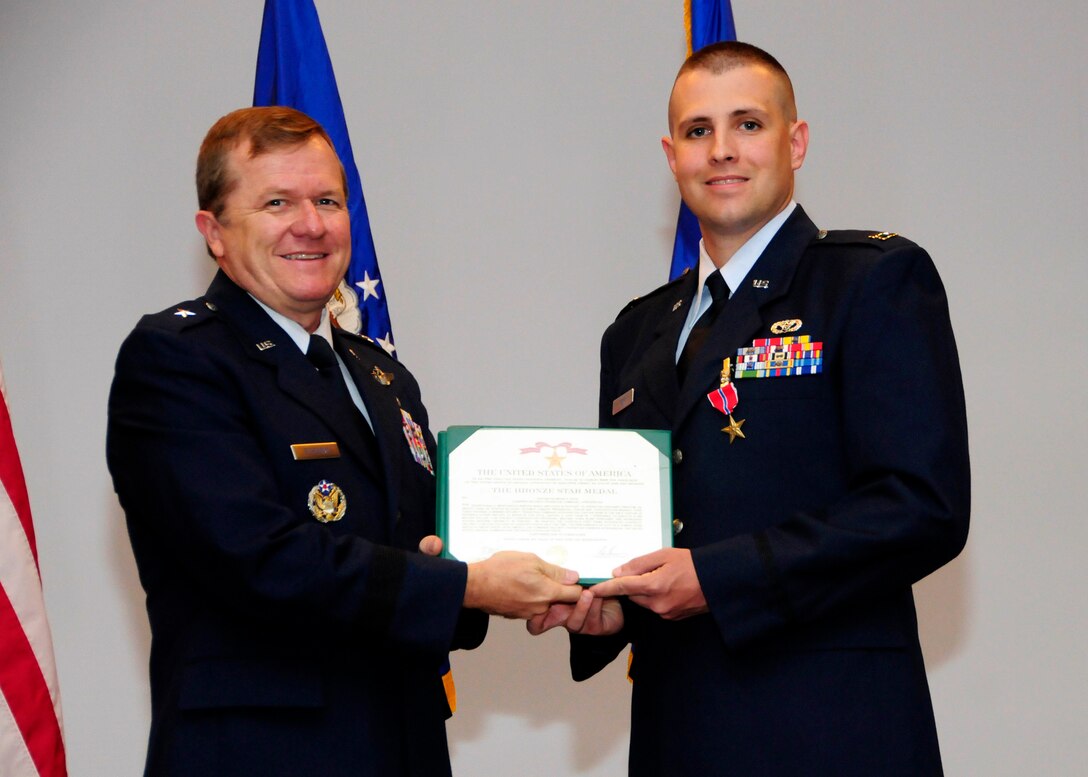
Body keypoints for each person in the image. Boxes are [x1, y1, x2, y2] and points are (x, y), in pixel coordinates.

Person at [529, 42, 969, 776]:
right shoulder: (636, 331)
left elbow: (921, 505)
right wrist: (607, 606)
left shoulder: (870, 282)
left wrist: (718, 577)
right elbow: (647, 525)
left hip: (831, 729)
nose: (722, 150)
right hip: (680, 726)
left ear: (795, 142)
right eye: (698, 131)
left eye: (748, 124)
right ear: (672, 156)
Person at [106, 106, 583, 777]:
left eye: (328, 199)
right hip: (261, 755)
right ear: (214, 231)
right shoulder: (177, 360)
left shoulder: (382, 376)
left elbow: (425, 550)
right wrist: (469, 585)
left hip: (403, 743)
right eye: (277, 202)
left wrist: (570, 582)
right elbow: (260, 559)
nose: (311, 224)